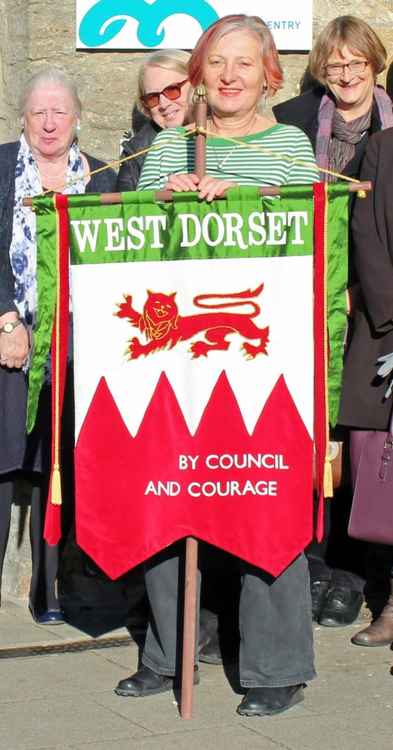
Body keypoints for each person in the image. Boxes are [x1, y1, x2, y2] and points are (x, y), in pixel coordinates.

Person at [114, 14, 318, 717]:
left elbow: (313, 233)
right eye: (215, 62)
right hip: (177, 363)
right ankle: (168, 655)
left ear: (268, 72)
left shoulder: (291, 145)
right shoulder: (172, 146)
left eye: (243, 62)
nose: (228, 76)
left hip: (264, 363)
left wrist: (249, 199)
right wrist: (160, 199)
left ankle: (275, 665)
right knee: (168, 498)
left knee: (263, 502)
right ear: (198, 72)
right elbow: (125, 241)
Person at [273, 15, 393, 628]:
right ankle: (310, 565)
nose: (346, 75)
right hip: (306, 300)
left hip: (374, 312)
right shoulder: (294, 122)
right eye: (336, 64)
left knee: (360, 444)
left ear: (378, 66)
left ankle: (351, 575)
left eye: (358, 64)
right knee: (306, 434)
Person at [0, 68, 116, 622]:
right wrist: (6, 321)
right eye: (38, 113)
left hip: (76, 347)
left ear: (77, 119)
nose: (49, 123)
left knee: (59, 468)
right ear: (23, 118)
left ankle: (50, 592)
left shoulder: (101, 176)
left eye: (59, 112)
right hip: (9, 341)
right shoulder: (1, 168)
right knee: (1, 465)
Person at [339, 128, 393, 647]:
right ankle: (390, 602)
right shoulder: (382, 149)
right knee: (384, 477)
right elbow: (367, 235)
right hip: (389, 332)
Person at [117, 49, 192, 192]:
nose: (164, 104)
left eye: (172, 90)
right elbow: (123, 210)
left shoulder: (231, 132)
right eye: (152, 98)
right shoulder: (136, 152)